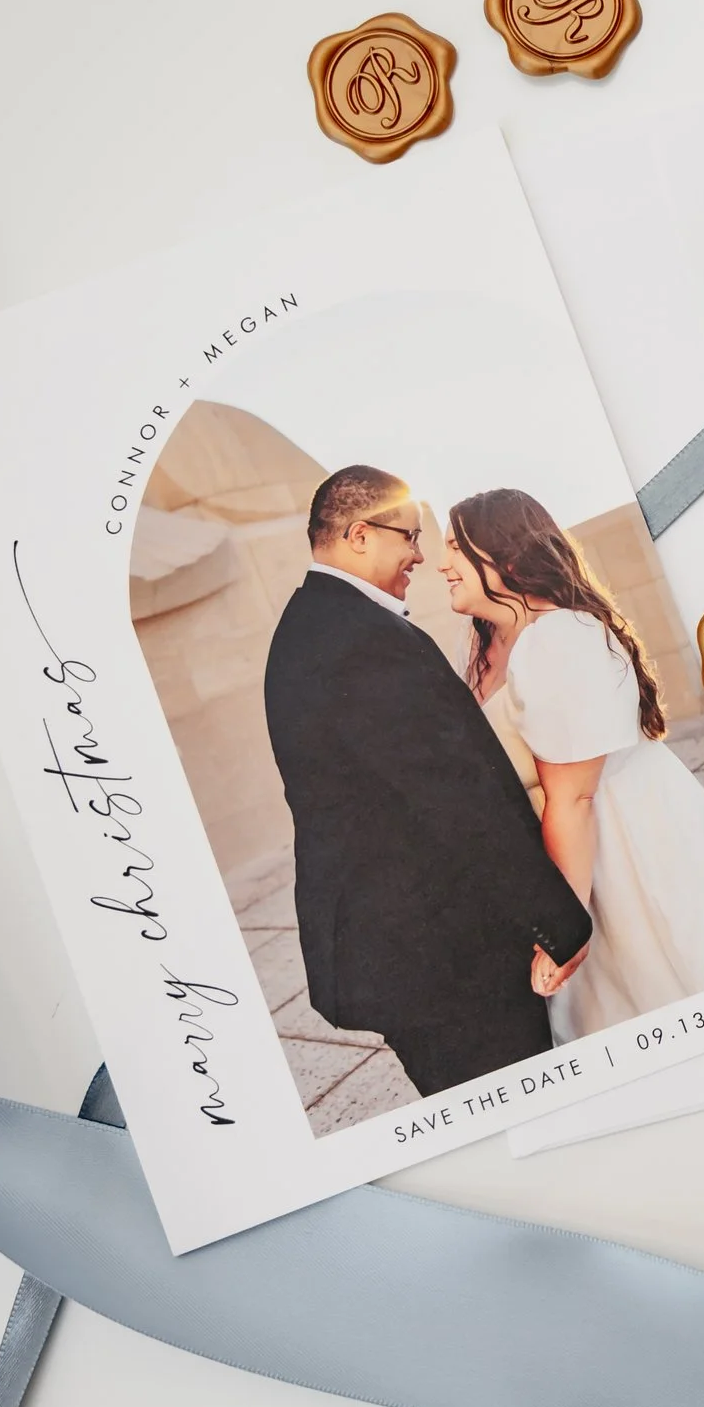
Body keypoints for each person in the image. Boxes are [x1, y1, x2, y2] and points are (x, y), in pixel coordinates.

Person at [261, 465, 592, 1098]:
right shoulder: (358, 637)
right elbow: (451, 796)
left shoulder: (316, 626)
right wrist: (559, 921)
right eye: (409, 536)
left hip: (408, 946)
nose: (419, 554)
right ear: (359, 535)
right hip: (440, 958)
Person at [437, 488, 704, 1042]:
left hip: (623, 837)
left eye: (457, 549)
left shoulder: (559, 638)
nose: (442, 565)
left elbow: (574, 797)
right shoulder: (492, 641)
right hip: (574, 839)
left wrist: (565, 927)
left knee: (659, 999)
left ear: (507, 556)